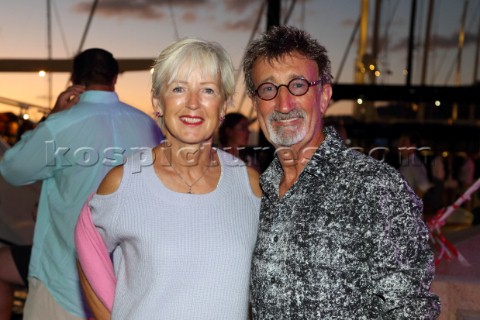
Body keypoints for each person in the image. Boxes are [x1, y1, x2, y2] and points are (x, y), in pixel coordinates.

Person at [242, 25, 440, 319]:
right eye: (268, 89)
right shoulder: (262, 192)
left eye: (298, 85)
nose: (283, 104)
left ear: (323, 97)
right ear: (256, 104)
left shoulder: (374, 187)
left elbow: (411, 312)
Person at [75, 38, 262, 319]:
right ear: (157, 101)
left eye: (208, 90)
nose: (193, 103)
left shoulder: (250, 187)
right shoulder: (123, 183)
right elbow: (87, 251)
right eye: (178, 88)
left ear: (223, 107)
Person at [0, 48, 163, 319]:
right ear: (115, 78)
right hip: (127, 279)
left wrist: (51, 116)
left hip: (64, 277)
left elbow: (13, 170)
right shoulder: (148, 127)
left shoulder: (60, 125)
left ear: (75, 78)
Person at [397, 131, 433, 198]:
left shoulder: (414, 163)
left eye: (403, 143)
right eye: (400, 142)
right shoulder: (407, 162)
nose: (399, 145)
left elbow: (424, 185)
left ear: (413, 146)